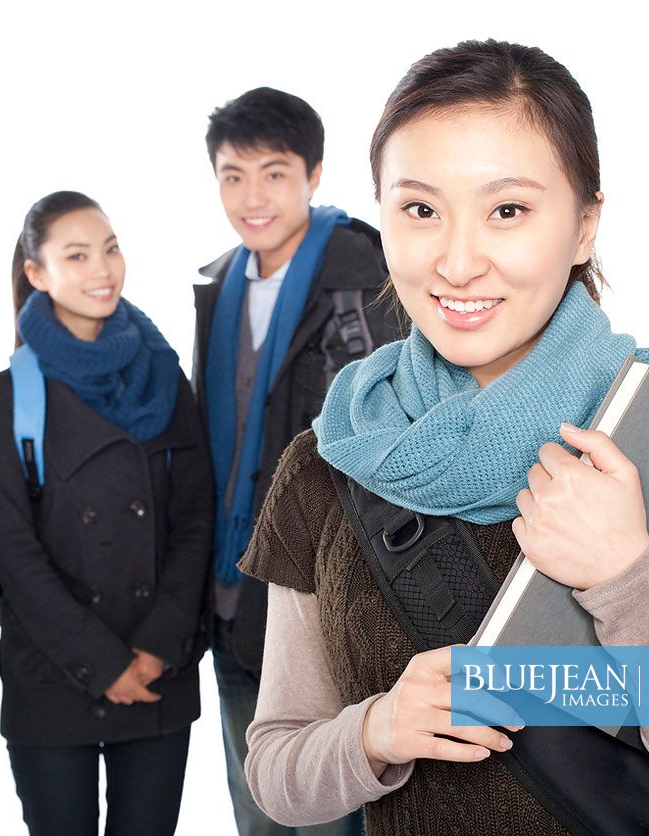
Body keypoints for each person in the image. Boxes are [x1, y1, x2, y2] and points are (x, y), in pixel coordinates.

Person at [240, 41, 649, 836]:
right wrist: (374, 731)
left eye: (507, 210)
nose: (457, 262)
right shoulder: (328, 459)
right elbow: (274, 768)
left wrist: (628, 577)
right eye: (420, 209)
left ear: (583, 226)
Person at [194, 86, 405, 836]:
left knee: (329, 809)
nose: (252, 197)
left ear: (313, 174)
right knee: (257, 804)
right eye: (232, 175)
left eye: (273, 173)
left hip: (322, 596)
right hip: (229, 592)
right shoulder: (217, 286)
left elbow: (393, 447)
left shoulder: (364, 275)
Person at [0, 191, 213, 836]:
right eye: (76, 255)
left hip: (156, 666)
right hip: (53, 676)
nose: (102, 269)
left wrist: (155, 647)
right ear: (37, 273)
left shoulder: (165, 378)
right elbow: (12, 551)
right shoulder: (8, 397)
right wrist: (101, 662)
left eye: (110, 249)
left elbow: (196, 519)